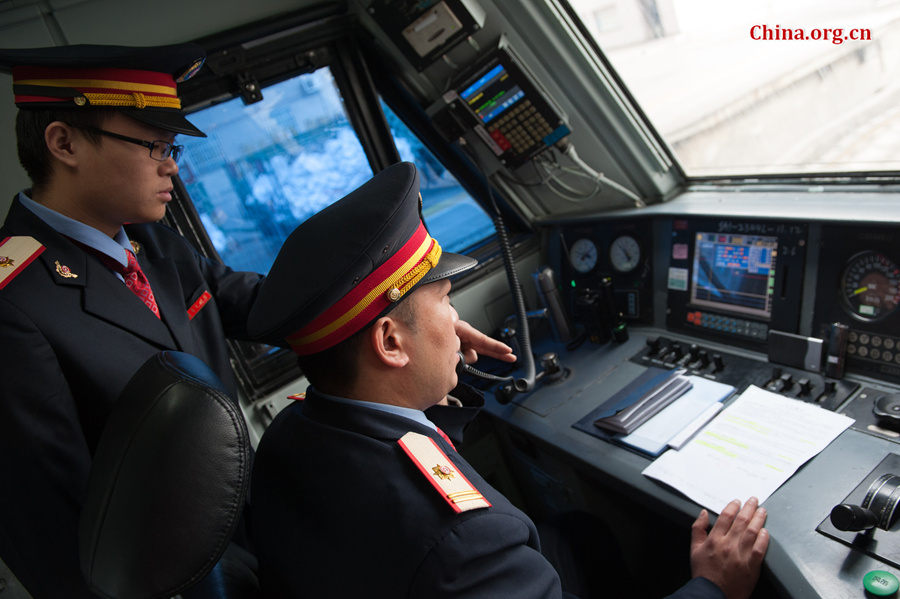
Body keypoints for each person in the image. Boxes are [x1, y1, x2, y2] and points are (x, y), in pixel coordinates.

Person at [0, 44, 511, 598]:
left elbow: (247, 301)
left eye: (171, 146)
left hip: (242, 535)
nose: (171, 163)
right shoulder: (15, 304)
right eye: (153, 145)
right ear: (63, 143)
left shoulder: (151, 240)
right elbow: (46, 522)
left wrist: (405, 317)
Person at [247, 161, 770, 599]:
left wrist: (430, 371)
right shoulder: (468, 542)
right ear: (389, 344)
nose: (457, 322)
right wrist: (714, 586)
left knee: (583, 534)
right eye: (447, 302)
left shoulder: (292, 430)